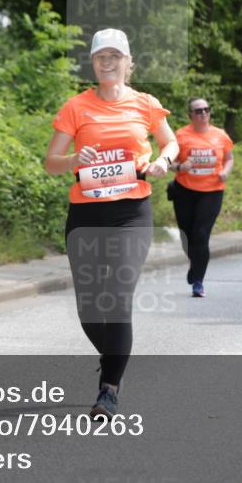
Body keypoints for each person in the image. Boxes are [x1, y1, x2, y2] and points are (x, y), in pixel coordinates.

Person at [44, 28, 177, 418]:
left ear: (128, 63)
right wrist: (73, 161)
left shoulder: (146, 103)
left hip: (130, 214)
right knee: (90, 308)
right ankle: (113, 354)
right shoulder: (75, 107)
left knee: (117, 300)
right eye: (101, 56)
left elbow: (170, 142)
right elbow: (52, 163)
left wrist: (162, 161)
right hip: (86, 214)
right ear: (92, 63)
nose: (108, 62)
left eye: (115, 56)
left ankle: (109, 390)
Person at [170, 97, 234, 297]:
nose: (204, 113)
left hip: (212, 191)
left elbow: (230, 158)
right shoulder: (180, 135)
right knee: (187, 236)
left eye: (206, 109)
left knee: (201, 234)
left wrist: (225, 171)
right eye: (198, 111)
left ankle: (198, 280)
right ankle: (195, 262)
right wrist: (180, 166)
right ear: (191, 115)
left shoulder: (220, 135)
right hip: (185, 191)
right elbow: (167, 162)